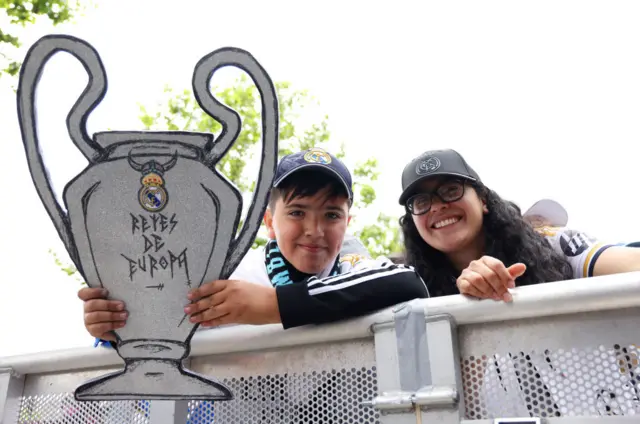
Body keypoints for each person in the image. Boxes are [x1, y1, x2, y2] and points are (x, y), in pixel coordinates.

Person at [79, 147, 428, 346]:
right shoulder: (227, 276)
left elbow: (410, 283)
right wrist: (111, 327)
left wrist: (271, 305)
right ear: (269, 221)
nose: (315, 230)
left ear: (348, 223)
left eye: (332, 214)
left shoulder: (357, 268)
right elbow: (150, 324)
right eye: (296, 212)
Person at [398, 148, 640, 301]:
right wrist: (473, 302)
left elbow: (631, 265)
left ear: (482, 200)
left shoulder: (556, 245)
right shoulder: (413, 291)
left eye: (451, 190)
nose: (438, 206)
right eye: (421, 202)